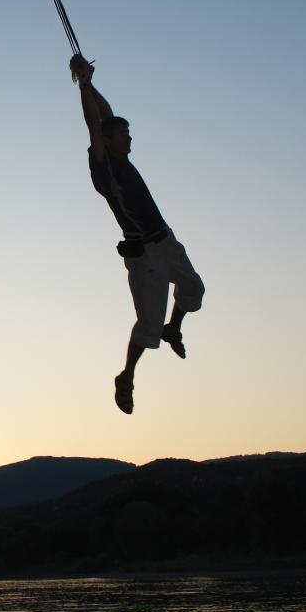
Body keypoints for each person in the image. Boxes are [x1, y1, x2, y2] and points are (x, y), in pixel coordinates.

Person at [72, 53, 204, 415]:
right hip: (143, 256)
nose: (129, 136)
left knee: (194, 289)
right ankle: (126, 377)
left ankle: (173, 328)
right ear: (108, 140)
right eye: (123, 133)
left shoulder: (121, 159)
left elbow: (105, 113)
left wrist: (91, 84)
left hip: (165, 240)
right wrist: (82, 85)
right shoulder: (104, 168)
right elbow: (94, 123)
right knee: (147, 325)